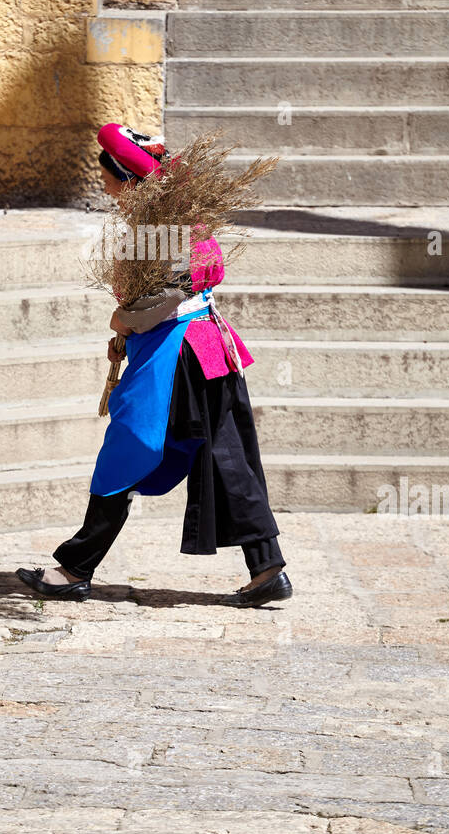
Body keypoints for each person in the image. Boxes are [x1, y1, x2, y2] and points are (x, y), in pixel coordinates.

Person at [16, 123, 292, 608]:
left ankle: (74, 569)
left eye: (109, 182)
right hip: (211, 346)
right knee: (227, 457)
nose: (105, 190)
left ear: (128, 179)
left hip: (178, 356)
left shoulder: (158, 230)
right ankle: (266, 567)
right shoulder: (184, 221)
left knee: (126, 451)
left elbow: (162, 301)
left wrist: (122, 320)